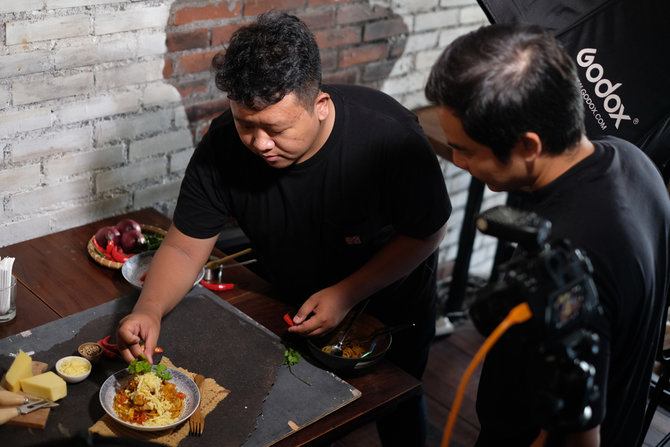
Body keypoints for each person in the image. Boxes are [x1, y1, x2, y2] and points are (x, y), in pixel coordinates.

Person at [116, 11, 451, 446]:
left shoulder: (389, 138)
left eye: (275, 128)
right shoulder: (222, 145)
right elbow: (183, 249)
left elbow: (428, 230)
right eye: (246, 125)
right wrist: (148, 310)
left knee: (399, 404)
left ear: (321, 105)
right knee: (297, 412)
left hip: (390, 304)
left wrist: (347, 293)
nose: (259, 143)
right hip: (292, 301)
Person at [425, 23, 670, 446]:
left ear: (527, 147)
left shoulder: (570, 254)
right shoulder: (630, 157)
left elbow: (577, 437)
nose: (459, 162)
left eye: (467, 150)